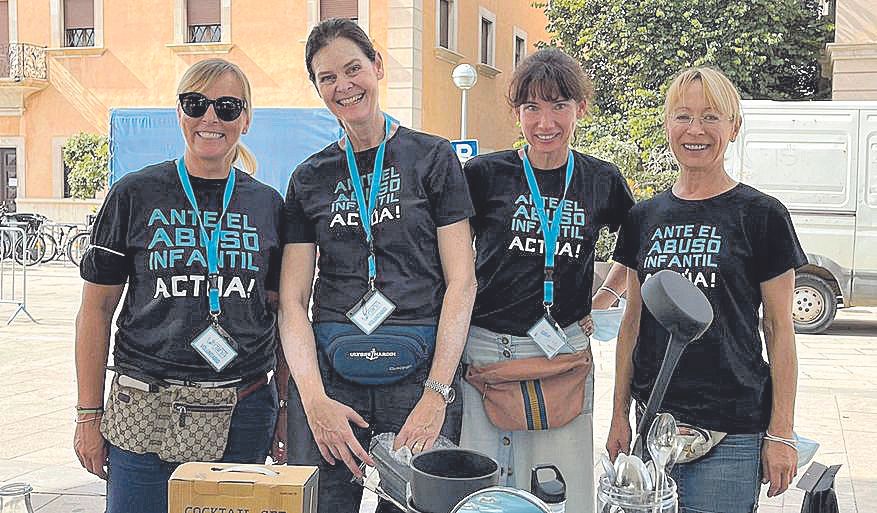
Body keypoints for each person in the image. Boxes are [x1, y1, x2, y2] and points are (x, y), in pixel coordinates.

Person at [279, 18, 476, 513]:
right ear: (318, 88)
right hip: (332, 371)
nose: (344, 86)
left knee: (416, 505)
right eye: (328, 78)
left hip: (417, 373)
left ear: (377, 67)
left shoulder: (432, 158)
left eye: (353, 68)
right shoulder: (309, 178)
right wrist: (313, 400)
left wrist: (437, 394)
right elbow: (293, 300)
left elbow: (461, 282)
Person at [73, 58, 286, 513]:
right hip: (147, 411)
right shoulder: (134, 194)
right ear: (180, 113)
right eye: (196, 103)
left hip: (243, 410)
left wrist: (286, 409)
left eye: (227, 107)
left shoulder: (267, 205)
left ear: (246, 119)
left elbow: (283, 315)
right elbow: (95, 312)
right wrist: (88, 415)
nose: (211, 118)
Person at [607, 66, 806, 513]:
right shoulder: (644, 217)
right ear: (667, 125)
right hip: (653, 426)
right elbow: (631, 327)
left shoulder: (762, 215)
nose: (695, 130)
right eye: (683, 116)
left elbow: (779, 331)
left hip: (732, 431)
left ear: (734, 127)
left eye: (711, 117)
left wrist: (781, 432)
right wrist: (619, 414)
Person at [459, 48, 634, 512]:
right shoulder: (484, 175)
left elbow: (635, 250)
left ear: (581, 108)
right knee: (484, 485)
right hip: (487, 347)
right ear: (516, 113)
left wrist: (605, 295)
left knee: (563, 487)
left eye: (559, 105)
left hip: (564, 352)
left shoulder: (602, 180)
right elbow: (451, 258)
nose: (545, 121)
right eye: (531, 107)